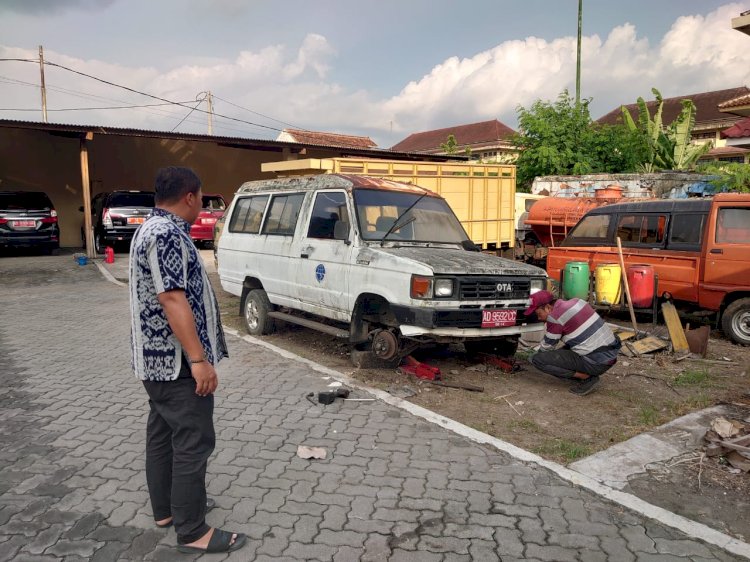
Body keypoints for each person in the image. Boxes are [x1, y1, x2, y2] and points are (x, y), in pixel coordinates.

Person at [129, 167, 246, 554]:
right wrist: (198, 360)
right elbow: (172, 298)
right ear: (191, 196)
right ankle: (193, 531)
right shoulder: (166, 235)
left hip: (155, 363)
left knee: (162, 436)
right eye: (201, 199)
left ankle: (168, 510)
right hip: (176, 365)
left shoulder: (149, 228)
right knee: (193, 442)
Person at [523, 290, 621, 396]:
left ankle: (587, 378)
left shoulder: (555, 317)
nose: (539, 318)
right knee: (559, 352)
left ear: (547, 307)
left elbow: (546, 348)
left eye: (539, 314)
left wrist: (531, 358)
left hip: (597, 362)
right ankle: (585, 373)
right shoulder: (577, 301)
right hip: (610, 354)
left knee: (539, 360)